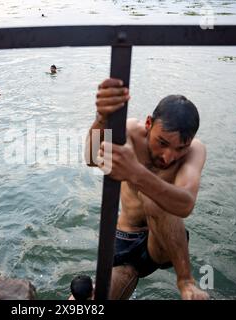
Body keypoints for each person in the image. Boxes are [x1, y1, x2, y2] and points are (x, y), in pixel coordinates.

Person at [85, 78, 209, 300]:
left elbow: (186, 203)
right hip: (126, 238)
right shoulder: (131, 132)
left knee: (154, 198)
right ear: (149, 123)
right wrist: (101, 120)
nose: (168, 157)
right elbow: (92, 159)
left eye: (181, 148)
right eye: (162, 143)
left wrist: (136, 173)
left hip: (163, 243)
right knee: (93, 300)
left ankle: (186, 281)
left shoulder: (196, 150)